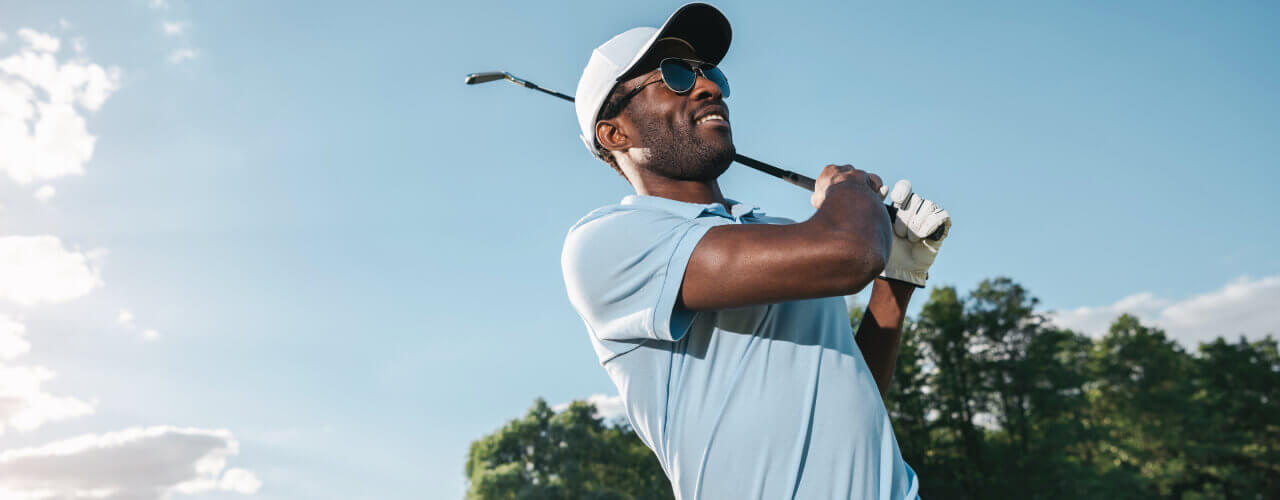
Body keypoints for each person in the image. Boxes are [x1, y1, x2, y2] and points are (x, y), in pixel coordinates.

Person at [561, 3, 950, 499]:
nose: (710, 87)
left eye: (710, 73)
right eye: (676, 76)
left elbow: (850, 388)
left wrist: (895, 280)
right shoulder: (609, 242)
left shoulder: (782, 235)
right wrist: (846, 190)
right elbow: (850, 251)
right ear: (615, 134)